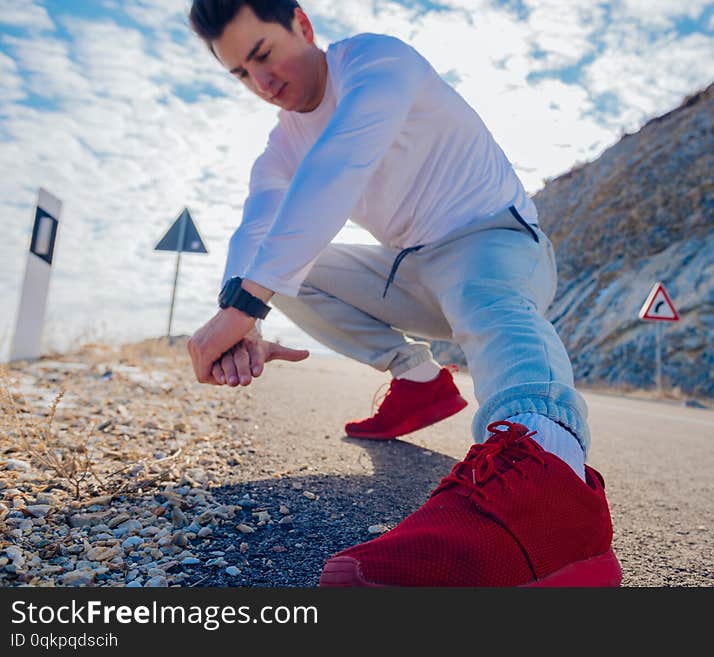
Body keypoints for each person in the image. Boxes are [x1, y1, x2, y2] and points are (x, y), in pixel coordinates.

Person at [186, 0, 621, 587]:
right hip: (413, 272)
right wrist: (240, 322)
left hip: (496, 241)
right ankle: (418, 382)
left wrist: (242, 309)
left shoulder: (377, 61)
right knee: (286, 269)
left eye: (263, 54)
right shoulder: (280, 148)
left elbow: (340, 164)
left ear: (303, 25)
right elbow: (257, 227)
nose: (261, 83)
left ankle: (550, 477)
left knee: (482, 294)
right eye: (240, 73)